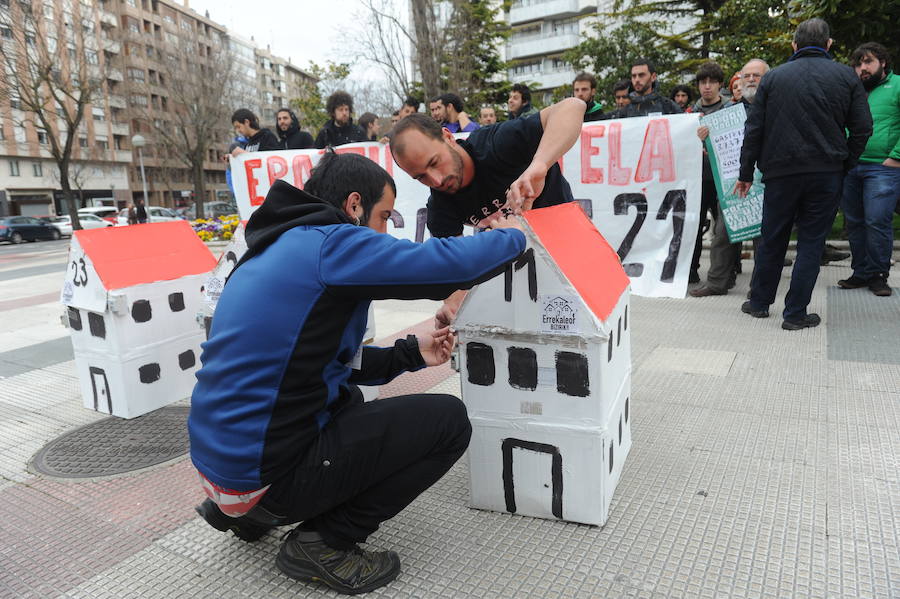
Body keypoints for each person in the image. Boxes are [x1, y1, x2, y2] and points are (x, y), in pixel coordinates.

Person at [190, 152, 527, 596]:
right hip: (260, 475)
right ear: (354, 206)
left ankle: (249, 514)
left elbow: (317, 362)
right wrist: (512, 237)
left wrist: (409, 353)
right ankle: (324, 543)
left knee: (348, 403)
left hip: (219, 470)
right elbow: (441, 265)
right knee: (447, 422)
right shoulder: (330, 243)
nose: (386, 231)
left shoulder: (269, 249)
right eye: (385, 216)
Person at [389, 98, 586, 326]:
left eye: (435, 162)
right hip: (524, 267)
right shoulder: (440, 208)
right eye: (421, 177)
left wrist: (539, 164)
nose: (437, 179)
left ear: (448, 137)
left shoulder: (495, 144)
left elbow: (573, 106)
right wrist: (453, 311)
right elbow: (455, 272)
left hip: (566, 236)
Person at [736, 18, 873, 330]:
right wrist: (846, 163)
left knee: (772, 238)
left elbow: (754, 130)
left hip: (780, 173)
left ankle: (759, 303)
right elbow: (864, 127)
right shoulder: (846, 77)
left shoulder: (773, 79)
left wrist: (745, 172)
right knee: (811, 242)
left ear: (794, 46)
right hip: (826, 173)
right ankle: (795, 313)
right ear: (828, 45)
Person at [838, 42, 900, 297]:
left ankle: (878, 275)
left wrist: (896, 157)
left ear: (883, 63)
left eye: (868, 62)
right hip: (852, 166)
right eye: (858, 64)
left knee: (877, 220)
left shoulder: (897, 85)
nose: (862, 68)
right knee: (854, 222)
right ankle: (861, 272)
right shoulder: (853, 90)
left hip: (883, 167)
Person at [687, 62, 736, 295]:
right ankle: (693, 271)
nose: (707, 87)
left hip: (725, 178)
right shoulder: (689, 114)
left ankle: (729, 273)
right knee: (695, 225)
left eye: (711, 82)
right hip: (699, 178)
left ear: (719, 84)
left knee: (726, 227)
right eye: (702, 82)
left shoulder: (731, 110)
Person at [605, 59, 682, 118]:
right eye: (634, 76)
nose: (637, 79)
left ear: (653, 77)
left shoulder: (668, 107)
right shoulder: (624, 112)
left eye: (641, 75)